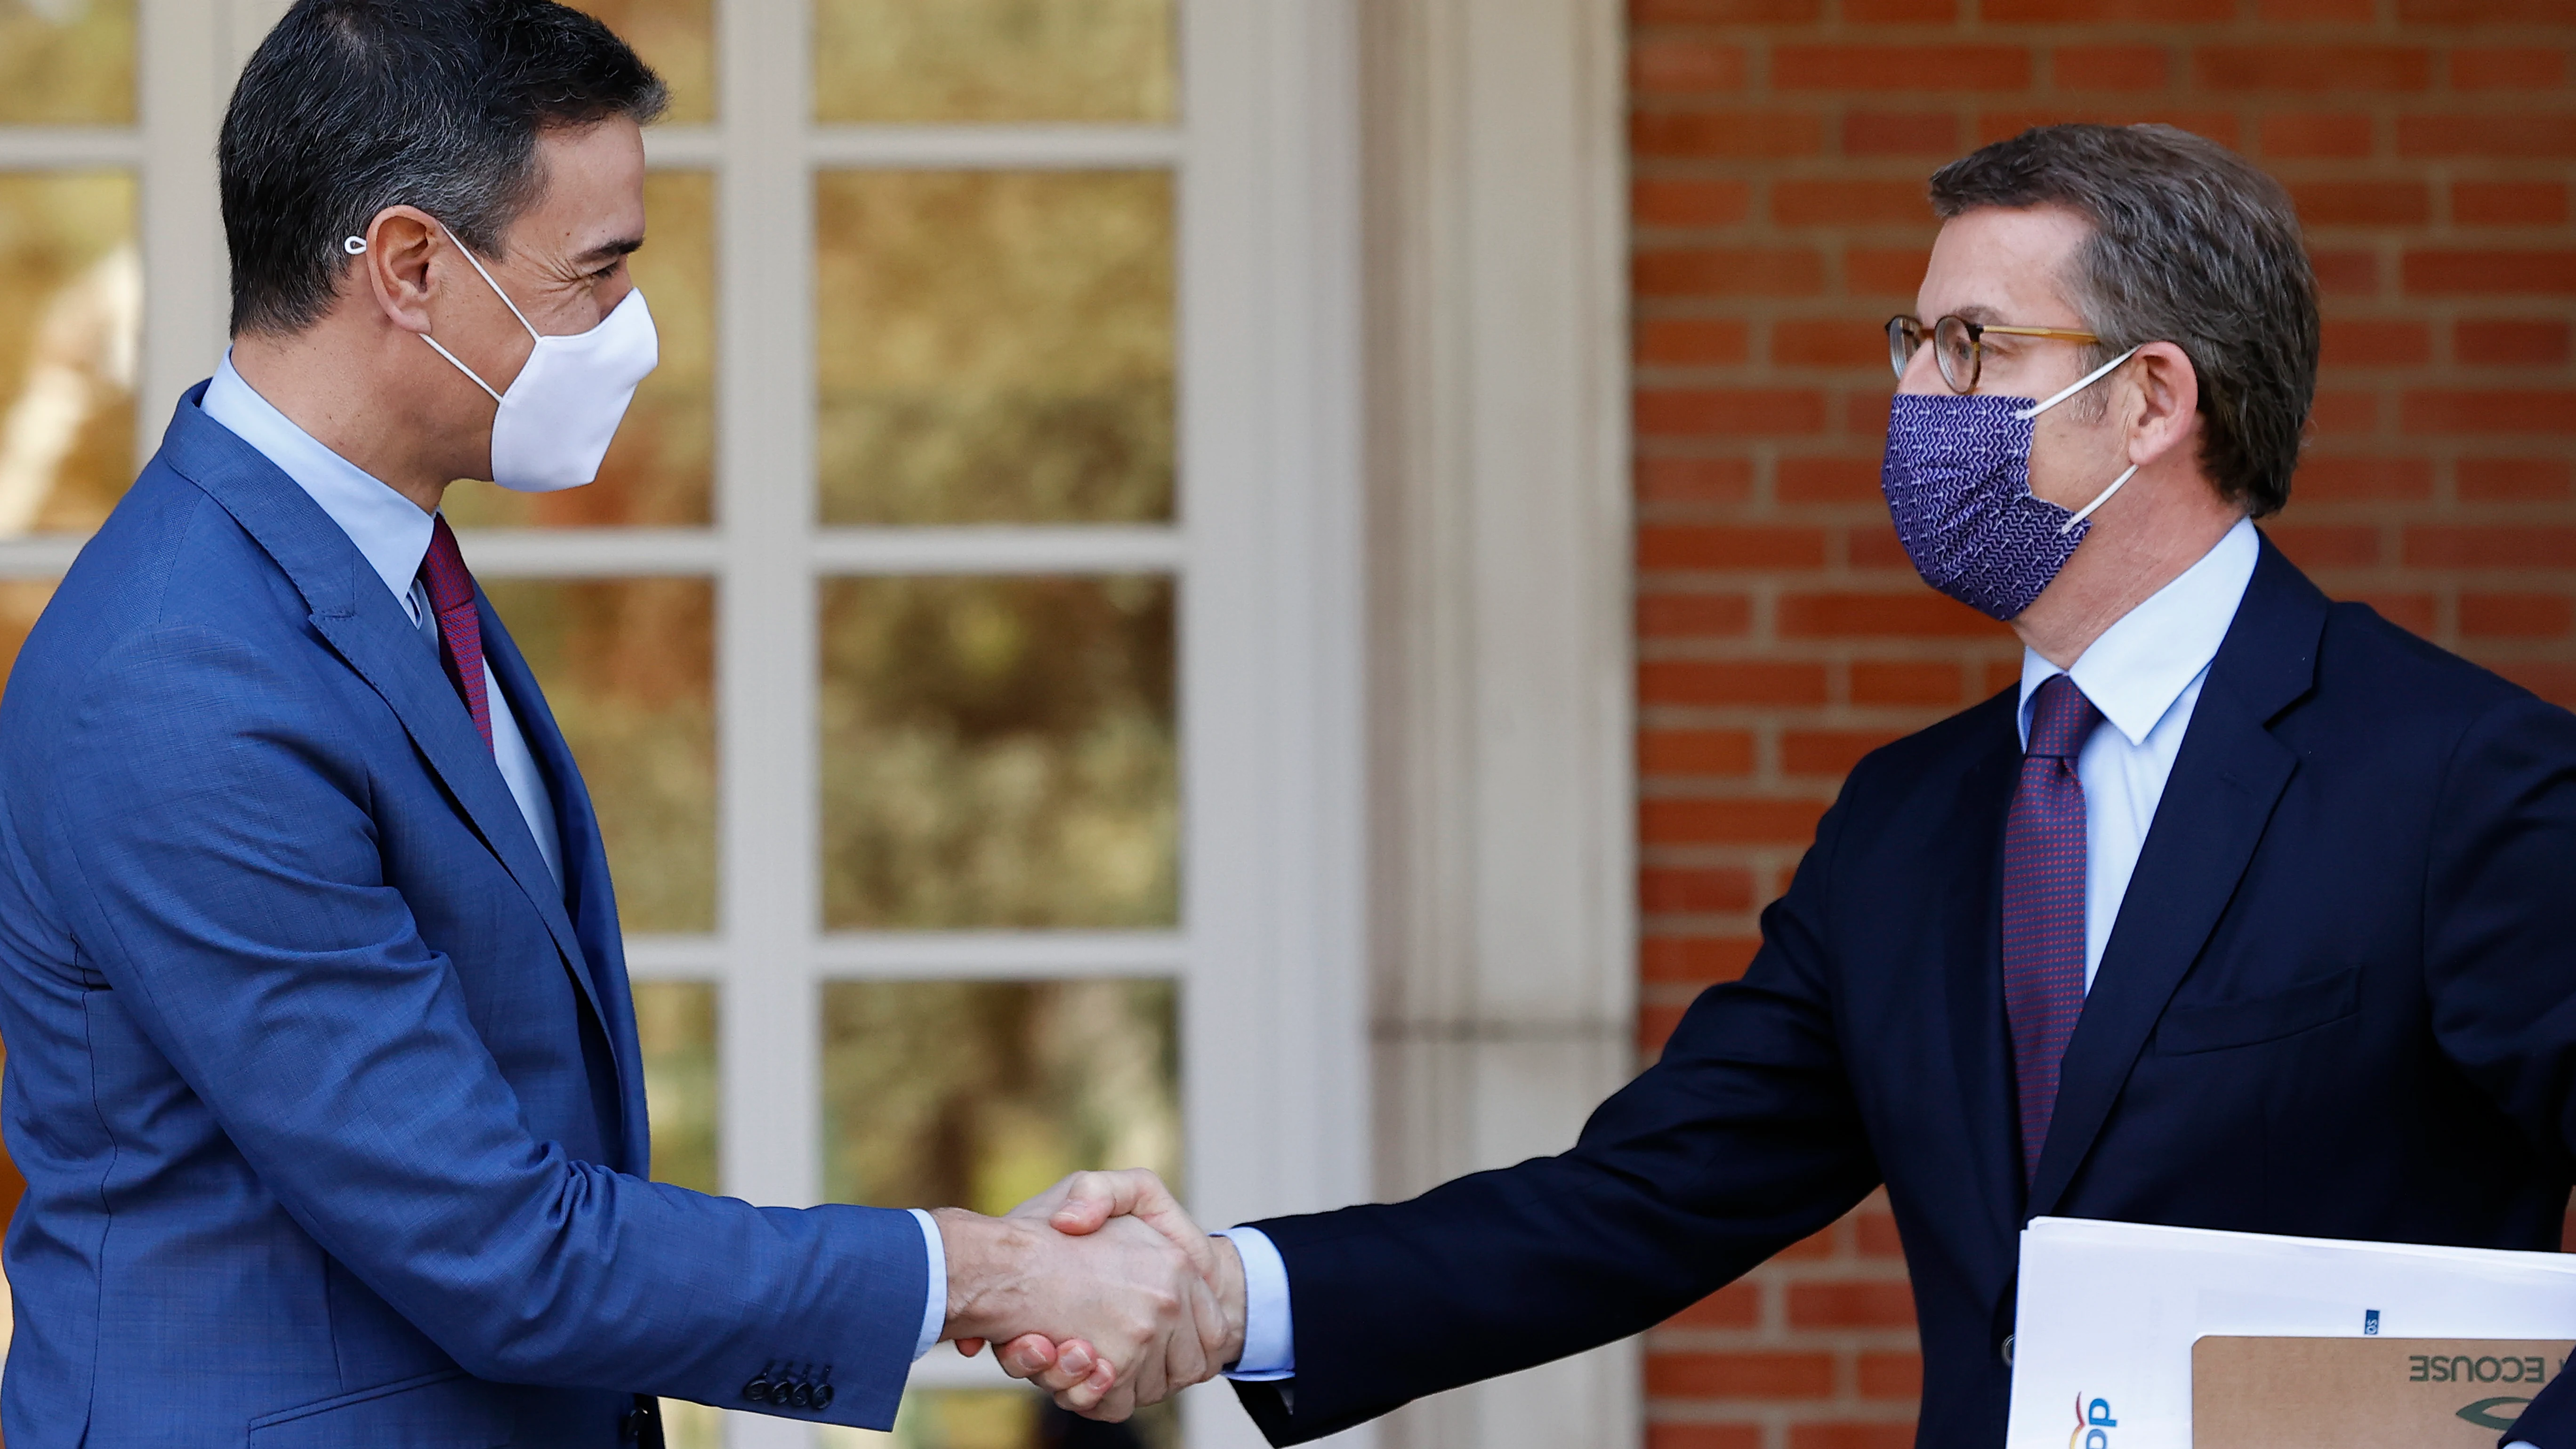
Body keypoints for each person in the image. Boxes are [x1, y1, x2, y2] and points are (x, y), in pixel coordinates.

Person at [1002, 123, 2576, 1449]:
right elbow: (1638, 1202)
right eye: (1915, 342)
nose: (1918, 401)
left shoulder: (2460, 779)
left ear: (2153, 401)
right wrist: (1227, 1293)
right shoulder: (1913, 823)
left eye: (1976, 347)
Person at [0, 3, 1227, 1445]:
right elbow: (498, 1244)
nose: (630, 332)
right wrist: (985, 1268)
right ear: (408, 265)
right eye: (595, 274)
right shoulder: (183, 673)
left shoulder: (373, 574)